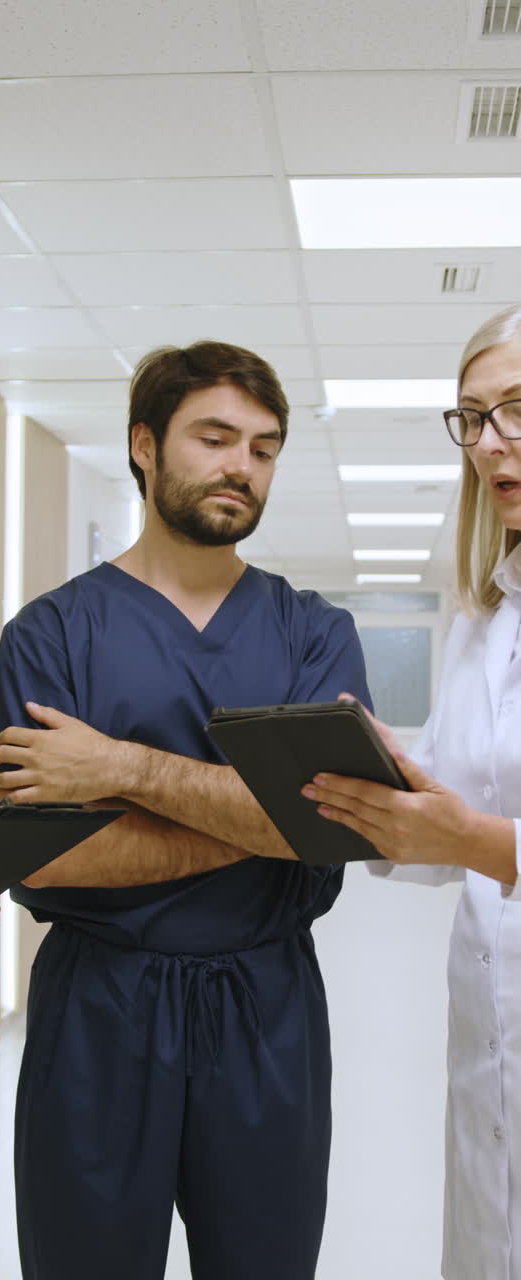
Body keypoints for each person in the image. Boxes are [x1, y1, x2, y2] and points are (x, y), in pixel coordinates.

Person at [0, 340, 371, 1280]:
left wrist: (118, 771)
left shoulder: (314, 633)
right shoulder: (53, 635)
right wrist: (266, 820)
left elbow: (334, 827)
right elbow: (43, 861)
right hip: (99, 1010)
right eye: (215, 436)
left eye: (265, 447)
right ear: (145, 445)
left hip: (266, 1008)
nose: (242, 465)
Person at [302, 304, 521, 1280]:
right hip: (490, 1041)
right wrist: (389, 781)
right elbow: (463, 793)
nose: (488, 442)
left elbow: (480, 829)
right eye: (471, 416)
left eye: (516, 409)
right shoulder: (488, 611)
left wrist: (477, 839)